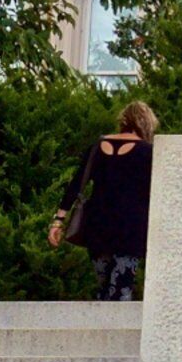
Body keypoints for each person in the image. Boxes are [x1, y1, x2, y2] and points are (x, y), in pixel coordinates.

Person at [50, 102, 158, 302]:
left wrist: (58, 221)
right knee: (121, 287)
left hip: (98, 224)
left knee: (104, 286)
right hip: (130, 227)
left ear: (123, 121)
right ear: (146, 123)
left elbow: (76, 185)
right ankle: (116, 329)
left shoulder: (96, 147)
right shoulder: (147, 152)